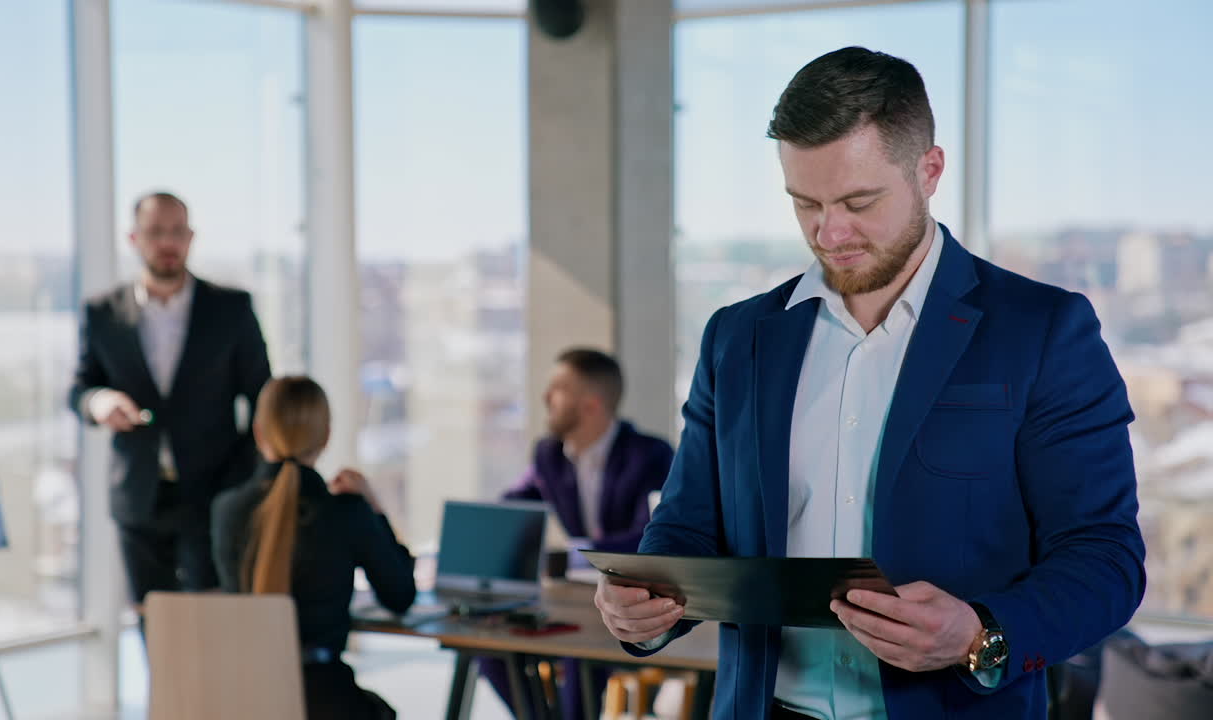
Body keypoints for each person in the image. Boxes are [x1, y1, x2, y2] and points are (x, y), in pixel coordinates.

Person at [594, 47, 1146, 720]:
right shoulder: (736, 339)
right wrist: (645, 605)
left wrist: (981, 633)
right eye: (805, 204)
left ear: (929, 170)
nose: (830, 232)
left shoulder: (1043, 331)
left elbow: (1104, 556)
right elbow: (687, 525)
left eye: (859, 201)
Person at [69, 191, 272, 627]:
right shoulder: (102, 312)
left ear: (191, 237)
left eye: (177, 232)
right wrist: (100, 402)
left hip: (214, 492)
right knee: (153, 622)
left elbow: (263, 398)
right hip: (138, 495)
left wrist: (245, 477)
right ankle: (165, 699)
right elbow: (81, 388)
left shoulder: (230, 309)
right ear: (134, 238)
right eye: (156, 232)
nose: (168, 242)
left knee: (213, 622)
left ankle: (214, 700)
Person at [484, 348, 675, 719]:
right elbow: (515, 502)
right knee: (490, 647)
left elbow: (653, 535)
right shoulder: (549, 454)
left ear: (591, 403)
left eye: (558, 388)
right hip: (576, 602)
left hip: (630, 605)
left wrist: (579, 552)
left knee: (580, 650)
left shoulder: (650, 454)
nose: (545, 397)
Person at [211, 376, 415, 720]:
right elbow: (400, 595)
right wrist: (374, 507)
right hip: (324, 701)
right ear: (326, 436)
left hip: (244, 698)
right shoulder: (346, 512)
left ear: (259, 433)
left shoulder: (226, 511)